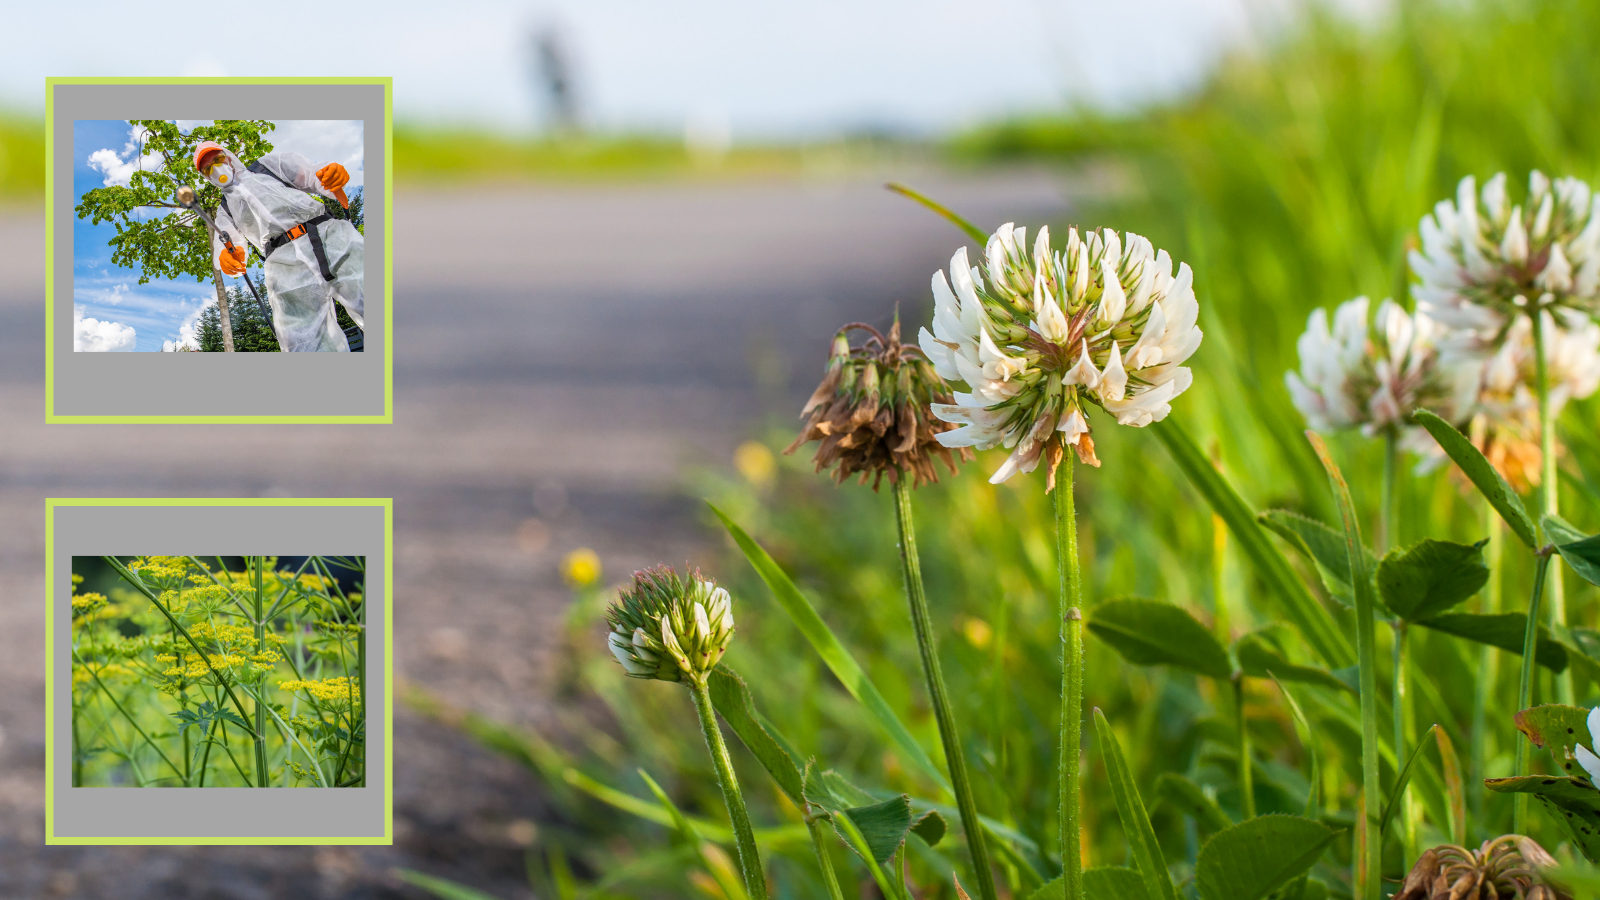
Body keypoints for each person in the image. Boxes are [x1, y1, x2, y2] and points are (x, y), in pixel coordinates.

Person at [195, 140, 364, 352]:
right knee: (304, 344)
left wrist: (330, 175)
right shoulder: (225, 210)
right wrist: (227, 258)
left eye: (217, 159)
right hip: (284, 268)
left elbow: (314, 176)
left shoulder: (268, 167)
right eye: (208, 169)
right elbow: (227, 243)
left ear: (228, 157)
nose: (215, 169)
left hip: (330, 237)